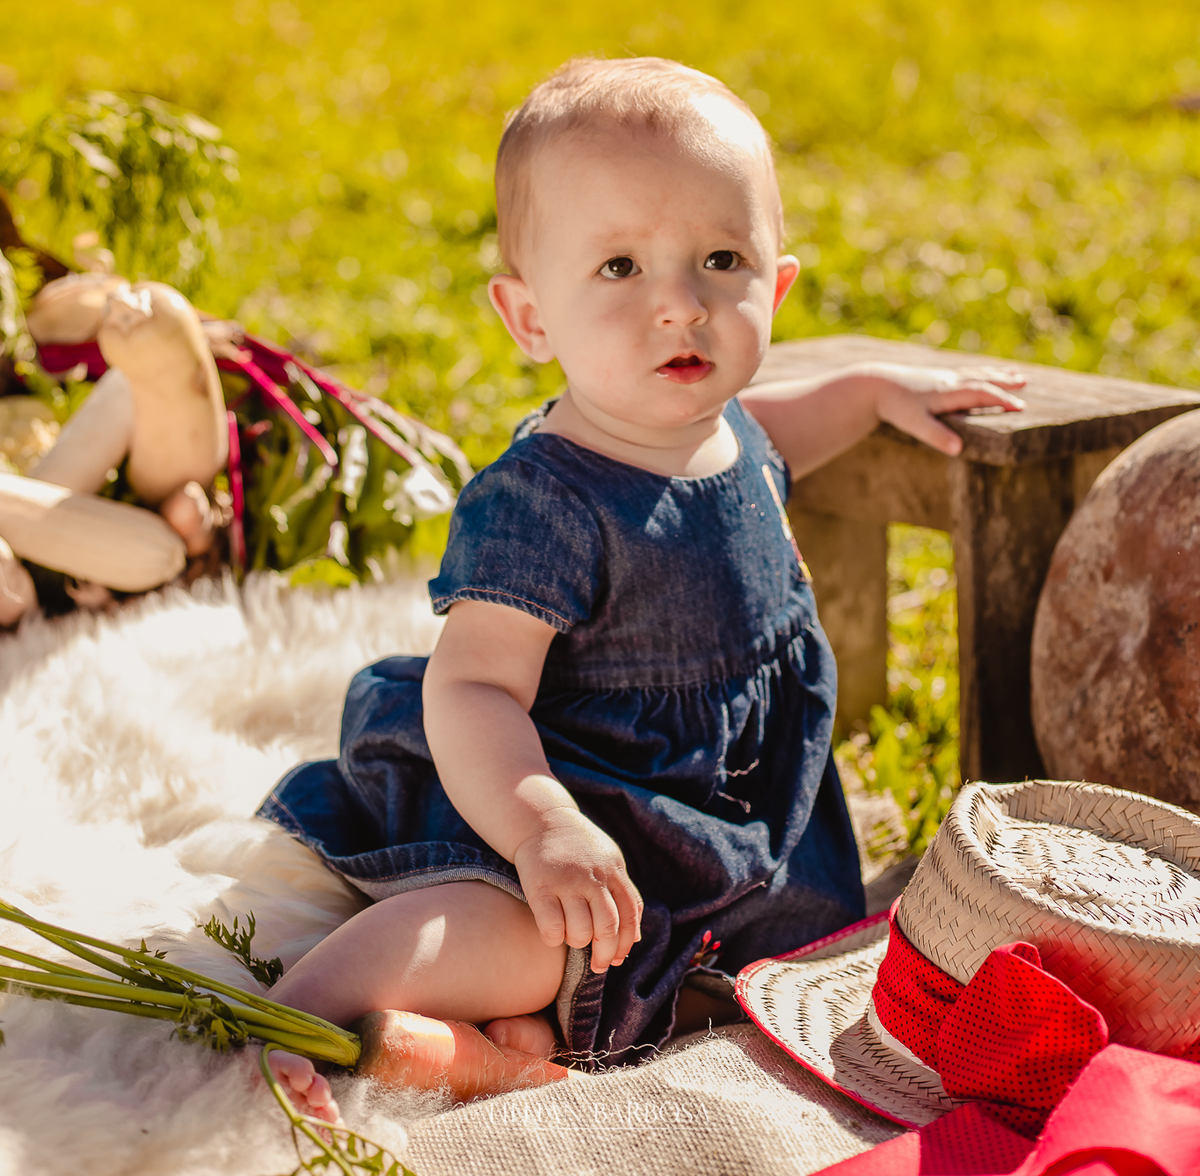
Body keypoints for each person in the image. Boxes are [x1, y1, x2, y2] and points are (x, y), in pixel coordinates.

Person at [259, 57, 1023, 1120]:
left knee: (745, 967)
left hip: (723, 824)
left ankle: (503, 1046)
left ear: (776, 287)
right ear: (530, 318)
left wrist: (870, 392)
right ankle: (302, 1011)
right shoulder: (545, 501)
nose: (680, 305)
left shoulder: (723, 425)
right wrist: (541, 831)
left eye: (720, 260)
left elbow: (774, 441)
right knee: (525, 938)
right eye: (619, 267)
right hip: (565, 794)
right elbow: (473, 688)